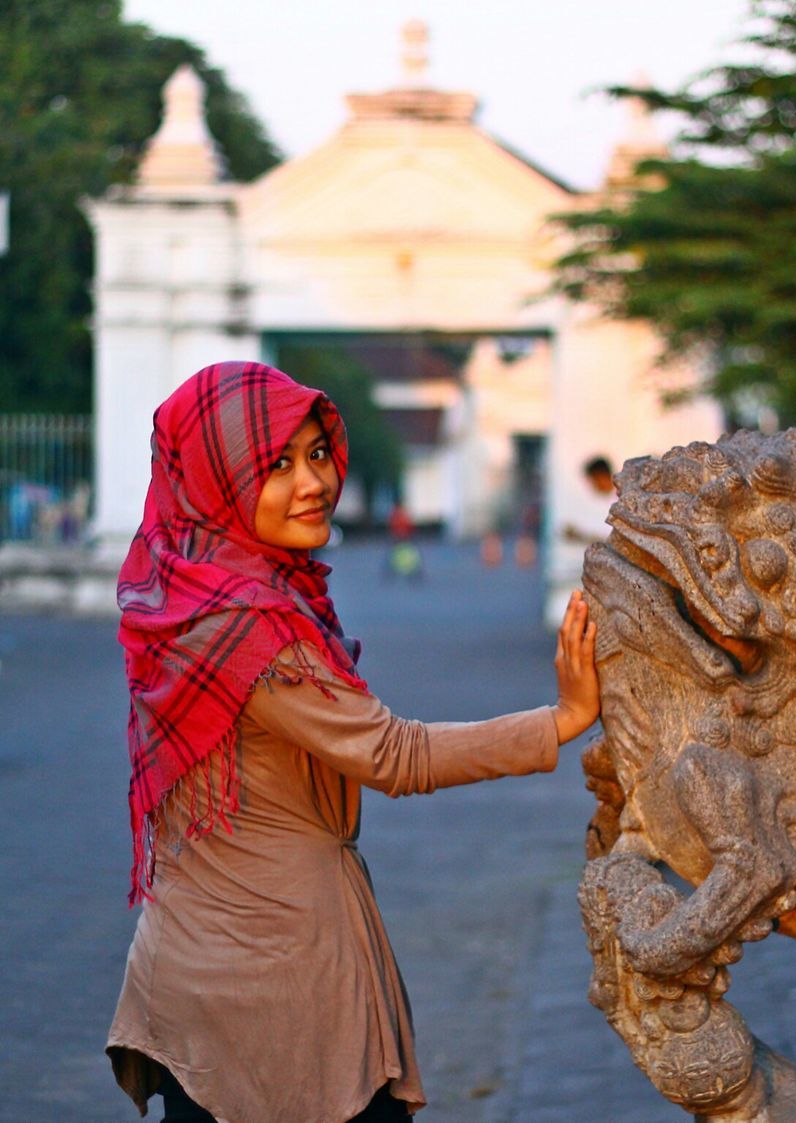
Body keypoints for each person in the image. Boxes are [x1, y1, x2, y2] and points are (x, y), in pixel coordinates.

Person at [106, 362, 599, 1123]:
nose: (314, 481)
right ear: (217, 477)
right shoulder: (252, 626)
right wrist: (561, 721)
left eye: (316, 453)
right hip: (276, 987)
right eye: (274, 463)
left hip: (190, 963)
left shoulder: (178, 594)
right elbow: (394, 754)